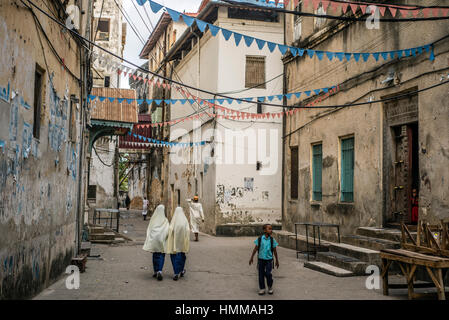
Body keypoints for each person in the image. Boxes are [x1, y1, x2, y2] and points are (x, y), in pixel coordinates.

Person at [249, 224, 280, 295]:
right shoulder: (260, 239)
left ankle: (270, 286)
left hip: (269, 260)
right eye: (269, 229)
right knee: (261, 274)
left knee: (268, 273)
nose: (271, 230)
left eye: (271, 229)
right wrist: (251, 257)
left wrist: (277, 261)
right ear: (264, 230)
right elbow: (255, 249)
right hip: (261, 260)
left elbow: (275, 251)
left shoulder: (272, 240)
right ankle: (262, 288)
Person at [142, 205, 169, 281]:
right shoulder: (165, 220)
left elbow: (149, 230)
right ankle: (160, 270)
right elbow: (167, 231)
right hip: (161, 240)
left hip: (154, 240)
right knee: (161, 255)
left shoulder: (153, 220)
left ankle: (155, 271)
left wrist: (149, 239)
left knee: (155, 255)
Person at [166, 207, 190, 281]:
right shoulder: (184, 220)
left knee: (174, 256)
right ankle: (181, 270)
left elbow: (170, 229)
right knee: (182, 256)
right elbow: (188, 230)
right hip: (182, 243)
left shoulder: (174, 220)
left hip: (174, 244)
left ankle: (176, 272)